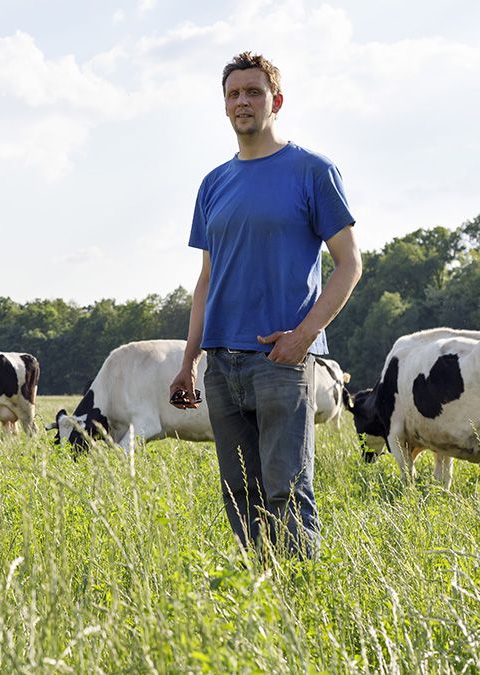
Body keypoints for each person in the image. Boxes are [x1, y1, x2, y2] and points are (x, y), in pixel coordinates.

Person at [169, 51, 362, 559]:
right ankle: (262, 593)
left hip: (281, 360)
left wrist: (304, 337)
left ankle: (301, 598)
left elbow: (349, 264)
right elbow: (206, 281)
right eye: (233, 94)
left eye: (253, 92)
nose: (242, 101)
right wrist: (188, 362)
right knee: (239, 494)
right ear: (225, 106)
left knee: (286, 490)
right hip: (221, 366)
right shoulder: (213, 184)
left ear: (275, 101)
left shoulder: (312, 170)